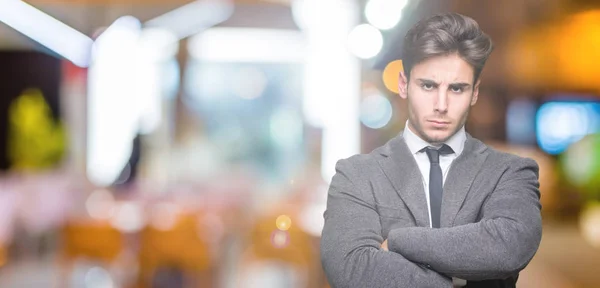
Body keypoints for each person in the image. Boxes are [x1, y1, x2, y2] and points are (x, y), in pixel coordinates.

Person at [320, 12, 542, 287]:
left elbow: (510, 245)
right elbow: (352, 268)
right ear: (404, 85)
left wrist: (400, 240)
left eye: (457, 89)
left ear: (474, 92)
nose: (441, 104)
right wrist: (461, 275)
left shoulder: (509, 172)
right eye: (428, 85)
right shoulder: (356, 175)